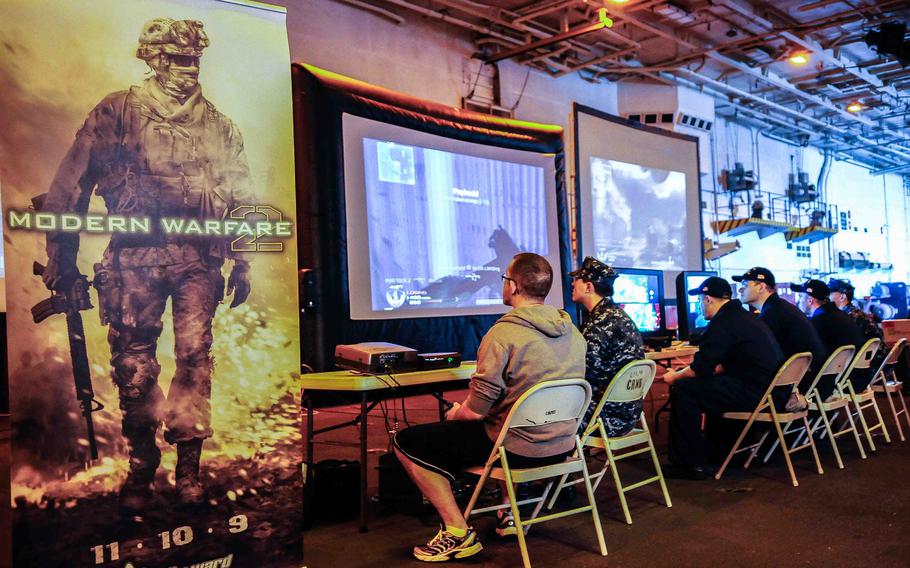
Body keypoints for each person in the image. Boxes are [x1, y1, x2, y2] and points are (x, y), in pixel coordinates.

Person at [40, 18, 254, 512]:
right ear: (153, 59)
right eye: (176, 59)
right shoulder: (116, 112)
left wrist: (243, 260)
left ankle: (188, 471)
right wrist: (62, 261)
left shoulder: (220, 126)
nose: (187, 68)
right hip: (133, 256)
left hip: (197, 259)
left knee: (196, 360)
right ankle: (142, 465)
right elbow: (68, 191)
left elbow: (242, 196)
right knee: (133, 367)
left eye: (193, 58)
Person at [393, 253, 586, 562]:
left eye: (504, 279)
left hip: (516, 451)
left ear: (513, 286)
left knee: (406, 441)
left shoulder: (502, 334)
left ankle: (457, 532)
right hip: (561, 446)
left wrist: (457, 412)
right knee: (509, 418)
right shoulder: (573, 333)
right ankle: (508, 513)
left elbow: (476, 411)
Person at [662, 277, 784, 480]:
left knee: (684, 389)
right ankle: (718, 450)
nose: (700, 305)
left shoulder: (723, 322)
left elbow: (700, 368)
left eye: (700, 300)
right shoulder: (742, 317)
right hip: (770, 391)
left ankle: (689, 463)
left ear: (708, 299)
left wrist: (675, 376)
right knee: (708, 388)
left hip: (755, 393)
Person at [569, 256, 645, 436]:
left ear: (588, 287)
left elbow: (584, 372)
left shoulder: (600, 322)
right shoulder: (616, 314)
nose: (572, 284)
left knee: (545, 416)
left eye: (577, 280)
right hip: (628, 414)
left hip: (607, 418)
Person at [735, 267, 826, 397]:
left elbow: (754, 354)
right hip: (814, 381)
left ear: (761, 287)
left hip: (802, 386)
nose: (740, 289)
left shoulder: (773, 314)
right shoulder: (779, 308)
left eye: (745, 284)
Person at [792, 280, 867, 391]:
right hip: (855, 377)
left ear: (809, 300)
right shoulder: (840, 315)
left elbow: (810, 353)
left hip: (835, 382)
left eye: (800, 297)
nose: (798, 301)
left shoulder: (819, 321)